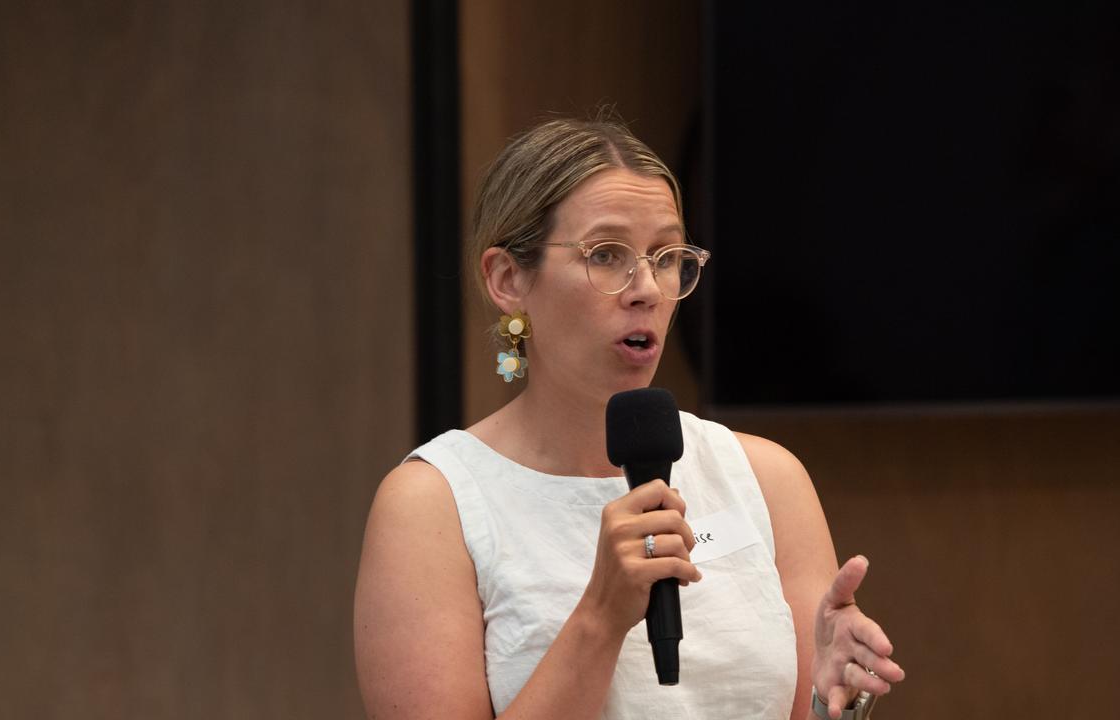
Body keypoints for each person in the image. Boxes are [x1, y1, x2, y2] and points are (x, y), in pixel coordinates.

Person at [353, 116, 905, 719]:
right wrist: (601, 615)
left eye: (667, 256)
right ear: (508, 279)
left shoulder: (766, 478)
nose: (647, 288)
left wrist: (834, 702)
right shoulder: (434, 504)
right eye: (607, 255)